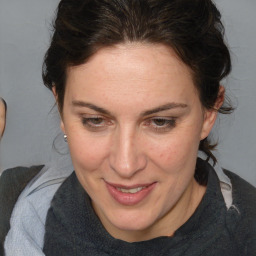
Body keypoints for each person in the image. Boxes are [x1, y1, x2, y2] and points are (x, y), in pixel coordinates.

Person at [1, 0, 256, 255]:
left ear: (209, 112)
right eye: (95, 120)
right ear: (61, 108)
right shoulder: (10, 203)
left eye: (160, 122)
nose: (125, 165)